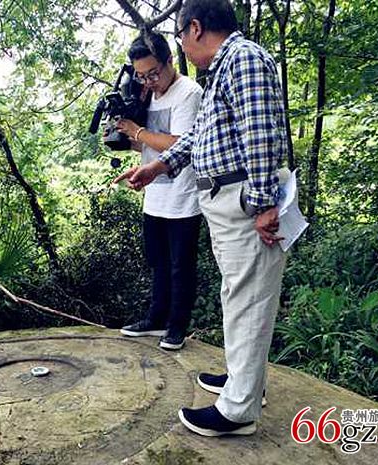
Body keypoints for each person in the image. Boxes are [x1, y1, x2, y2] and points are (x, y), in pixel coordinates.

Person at [114, 0, 287, 436]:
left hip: (242, 198)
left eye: (179, 36)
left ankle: (238, 412)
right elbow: (198, 137)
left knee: (248, 300)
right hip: (226, 199)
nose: (183, 47)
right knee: (238, 295)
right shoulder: (223, 69)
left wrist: (263, 204)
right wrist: (159, 166)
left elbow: (261, 135)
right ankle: (244, 382)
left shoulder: (243, 59)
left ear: (194, 28)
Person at [114, 32, 203, 351]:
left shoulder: (189, 93)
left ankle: (177, 327)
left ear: (169, 61)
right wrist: (123, 138)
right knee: (158, 262)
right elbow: (149, 146)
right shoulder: (148, 96)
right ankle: (156, 319)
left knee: (181, 266)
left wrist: (137, 131)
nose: (149, 81)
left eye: (153, 73)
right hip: (155, 195)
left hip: (183, 196)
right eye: (141, 76)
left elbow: (180, 143)